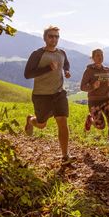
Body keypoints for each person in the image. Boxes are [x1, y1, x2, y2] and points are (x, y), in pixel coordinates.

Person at [23, 26, 74, 164]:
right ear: (45, 38)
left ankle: (65, 156)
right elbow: (27, 74)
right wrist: (47, 68)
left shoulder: (62, 53)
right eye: (51, 36)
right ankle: (31, 120)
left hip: (59, 93)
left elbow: (66, 64)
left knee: (62, 121)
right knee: (41, 125)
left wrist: (67, 71)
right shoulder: (37, 54)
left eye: (56, 36)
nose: (54, 39)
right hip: (41, 95)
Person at [80, 49, 109, 152]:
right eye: (97, 55)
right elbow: (82, 87)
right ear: (92, 58)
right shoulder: (89, 71)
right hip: (94, 102)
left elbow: (108, 82)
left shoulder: (107, 70)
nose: (100, 57)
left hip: (107, 100)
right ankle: (90, 120)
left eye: (101, 55)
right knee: (101, 126)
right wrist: (92, 86)